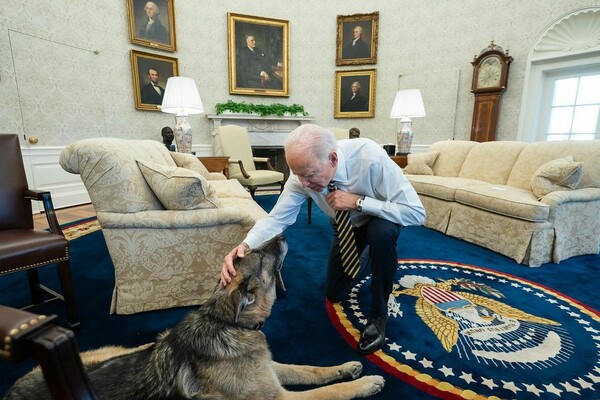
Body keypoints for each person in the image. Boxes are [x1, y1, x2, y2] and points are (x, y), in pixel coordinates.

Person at [221, 124, 425, 355]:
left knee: (382, 235)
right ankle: (373, 256)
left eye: (308, 175)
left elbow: (416, 213)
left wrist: (358, 202)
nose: (303, 183)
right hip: (346, 225)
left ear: (333, 158)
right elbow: (277, 219)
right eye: (297, 174)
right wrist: (245, 245)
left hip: (381, 218)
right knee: (335, 293)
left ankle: (378, 315)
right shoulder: (301, 177)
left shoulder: (371, 158)